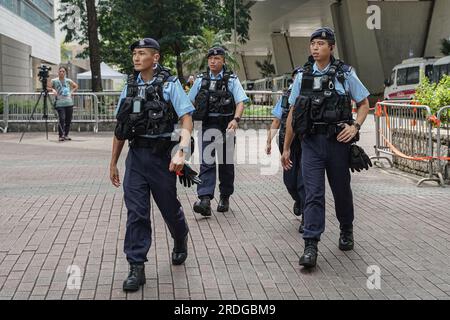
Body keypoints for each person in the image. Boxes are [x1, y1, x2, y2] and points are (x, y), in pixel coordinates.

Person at [109, 38, 195, 292]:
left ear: (155, 57)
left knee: (169, 209)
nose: (136, 58)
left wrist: (182, 151)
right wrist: (113, 162)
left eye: (142, 53)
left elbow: (187, 120)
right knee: (137, 212)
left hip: (162, 158)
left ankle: (180, 235)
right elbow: (121, 128)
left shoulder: (170, 85)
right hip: (136, 157)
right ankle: (136, 266)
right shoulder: (130, 87)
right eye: (134, 53)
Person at [281, 27, 370, 268]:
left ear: (331, 47)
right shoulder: (302, 75)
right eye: (312, 43)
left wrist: (355, 127)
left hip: (337, 143)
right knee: (313, 193)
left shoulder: (345, 74)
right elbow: (293, 113)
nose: (315, 47)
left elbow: (363, 104)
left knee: (341, 190)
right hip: (310, 143)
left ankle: (346, 229)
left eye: (320, 43)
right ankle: (310, 245)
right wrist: (287, 147)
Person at [188, 47, 248, 216]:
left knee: (226, 163)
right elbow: (190, 100)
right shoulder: (201, 80)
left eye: (217, 59)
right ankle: (205, 199)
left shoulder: (231, 80)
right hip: (207, 125)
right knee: (206, 161)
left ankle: (225, 196)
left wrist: (235, 120)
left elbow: (241, 102)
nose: (213, 61)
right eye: (210, 59)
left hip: (226, 126)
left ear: (223, 61)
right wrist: (195, 116)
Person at [266, 69, 305, 233]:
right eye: (296, 78)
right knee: (290, 182)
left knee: (304, 182)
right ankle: (299, 201)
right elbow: (276, 121)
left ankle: (307, 217)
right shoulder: (285, 98)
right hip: (288, 145)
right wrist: (268, 141)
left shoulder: (313, 97)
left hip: (307, 145)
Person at [48, 66, 78, 141]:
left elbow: (75, 86)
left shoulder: (68, 80)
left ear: (65, 73)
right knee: (62, 118)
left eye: (63, 71)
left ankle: (66, 134)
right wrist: (52, 89)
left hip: (69, 102)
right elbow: (47, 88)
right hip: (59, 103)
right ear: (58, 72)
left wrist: (71, 92)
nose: (61, 72)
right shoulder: (54, 80)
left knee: (68, 120)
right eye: (60, 71)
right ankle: (61, 135)